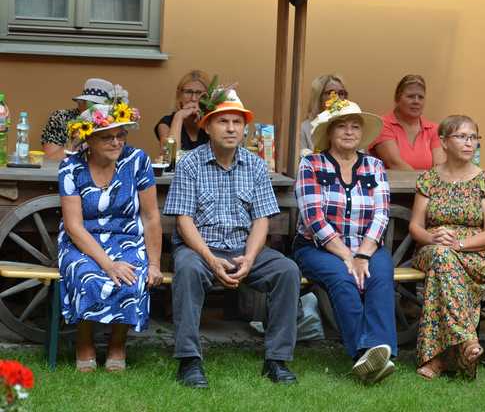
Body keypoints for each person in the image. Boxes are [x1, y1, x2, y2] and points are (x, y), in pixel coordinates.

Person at [163, 87, 300, 388]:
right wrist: (211, 260)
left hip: (243, 249)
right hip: (200, 248)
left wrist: (250, 258)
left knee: (287, 271)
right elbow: (184, 221)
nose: (231, 128)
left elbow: (261, 219)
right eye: (223, 121)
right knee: (187, 270)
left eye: (237, 122)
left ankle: (276, 360)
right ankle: (189, 360)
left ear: (244, 128)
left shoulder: (255, 165)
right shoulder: (189, 164)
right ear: (208, 127)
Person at [293, 96, 397, 384]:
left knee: (380, 274)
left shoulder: (374, 166)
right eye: (342, 126)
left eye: (355, 127)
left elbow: (381, 214)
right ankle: (364, 354)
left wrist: (363, 254)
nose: (349, 132)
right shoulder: (311, 164)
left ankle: (379, 354)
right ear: (329, 132)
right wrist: (347, 256)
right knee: (343, 278)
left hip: (366, 245)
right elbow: (314, 219)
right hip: (317, 247)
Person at [58, 99, 162, 373]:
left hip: (126, 237)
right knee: (85, 274)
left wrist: (154, 264)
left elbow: (151, 217)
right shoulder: (70, 167)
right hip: (82, 240)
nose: (116, 142)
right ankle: (84, 341)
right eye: (107, 137)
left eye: (121, 135)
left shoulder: (137, 161)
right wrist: (107, 263)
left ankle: (118, 342)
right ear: (89, 140)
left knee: (131, 274)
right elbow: (74, 226)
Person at [408, 115, 485, 380]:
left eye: (473, 137)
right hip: (432, 247)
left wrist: (459, 244)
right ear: (444, 142)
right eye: (461, 136)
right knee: (441, 257)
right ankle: (467, 342)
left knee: (443, 264)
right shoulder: (429, 179)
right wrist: (432, 238)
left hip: (475, 252)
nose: (469, 143)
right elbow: (415, 226)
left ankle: (437, 360)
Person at [369, 74, 445, 170]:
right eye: (410, 96)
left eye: (420, 97)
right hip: (393, 184)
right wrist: (424, 183)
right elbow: (395, 163)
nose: (416, 101)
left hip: (428, 184)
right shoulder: (382, 125)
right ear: (397, 99)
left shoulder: (433, 129)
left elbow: (440, 166)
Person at [42, 78, 114, 160]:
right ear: (81, 103)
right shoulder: (61, 118)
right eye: (91, 103)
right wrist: (75, 142)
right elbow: (50, 160)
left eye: (101, 106)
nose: (95, 109)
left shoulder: (113, 123)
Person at [154, 70, 211, 152]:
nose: (193, 98)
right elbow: (169, 155)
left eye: (199, 93)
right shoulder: (165, 124)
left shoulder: (212, 121)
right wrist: (179, 116)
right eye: (188, 92)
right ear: (179, 94)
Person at [300, 74, 348, 155]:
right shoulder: (304, 128)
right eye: (331, 93)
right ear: (318, 97)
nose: (337, 98)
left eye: (341, 93)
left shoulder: (352, 127)